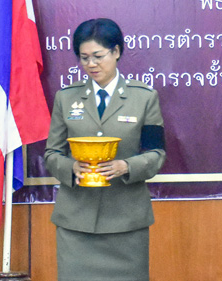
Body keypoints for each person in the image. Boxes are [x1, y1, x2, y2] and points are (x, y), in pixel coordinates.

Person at [45, 18, 166, 281]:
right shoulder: (66, 98)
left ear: (116, 51)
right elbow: (52, 153)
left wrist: (126, 166)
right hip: (76, 222)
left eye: (98, 56)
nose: (91, 64)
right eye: (84, 58)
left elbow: (156, 154)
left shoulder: (144, 97)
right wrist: (71, 167)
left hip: (126, 223)